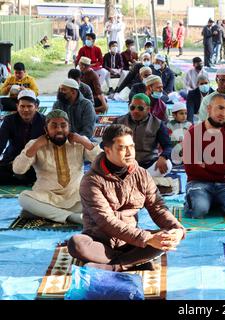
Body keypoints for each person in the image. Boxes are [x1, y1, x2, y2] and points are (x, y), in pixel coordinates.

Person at [67, 124, 185, 272]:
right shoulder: (91, 181)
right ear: (108, 150)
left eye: (132, 146)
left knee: (166, 238)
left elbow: (157, 207)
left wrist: (177, 229)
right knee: (76, 244)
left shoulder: (141, 174)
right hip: (101, 242)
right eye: (122, 148)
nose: (130, 152)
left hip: (132, 241)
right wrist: (147, 239)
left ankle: (114, 266)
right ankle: (133, 262)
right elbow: (106, 221)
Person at [13, 110, 102, 225]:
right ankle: (71, 217)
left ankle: (43, 212)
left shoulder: (79, 141)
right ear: (46, 129)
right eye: (54, 126)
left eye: (63, 125)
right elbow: (18, 169)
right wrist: (35, 147)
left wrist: (84, 142)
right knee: (23, 198)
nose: (59, 130)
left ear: (69, 127)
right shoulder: (35, 144)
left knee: (100, 193)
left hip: (76, 196)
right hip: (47, 197)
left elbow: (102, 161)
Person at [182, 94, 225, 219]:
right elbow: (191, 169)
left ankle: (211, 201)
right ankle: (204, 201)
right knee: (198, 210)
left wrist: (205, 163)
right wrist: (223, 169)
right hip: (198, 183)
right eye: (220, 108)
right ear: (209, 108)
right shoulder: (193, 133)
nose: (223, 113)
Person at [114, 93, 172, 176]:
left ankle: (136, 178)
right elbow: (106, 142)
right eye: (132, 107)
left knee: (168, 164)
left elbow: (168, 146)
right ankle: (140, 179)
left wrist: (163, 157)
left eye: (140, 108)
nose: (135, 111)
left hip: (148, 164)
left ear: (148, 109)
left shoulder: (157, 124)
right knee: (101, 156)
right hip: (123, 163)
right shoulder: (119, 121)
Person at [0, 90, 45, 185]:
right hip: (12, 160)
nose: (25, 110)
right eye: (22, 106)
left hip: (35, 162)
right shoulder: (9, 120)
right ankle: (23, 179)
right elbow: (1, 142)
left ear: (36, 107)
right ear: (17, 106)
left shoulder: (45, 121)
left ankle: (20, 178)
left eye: (29, 106)